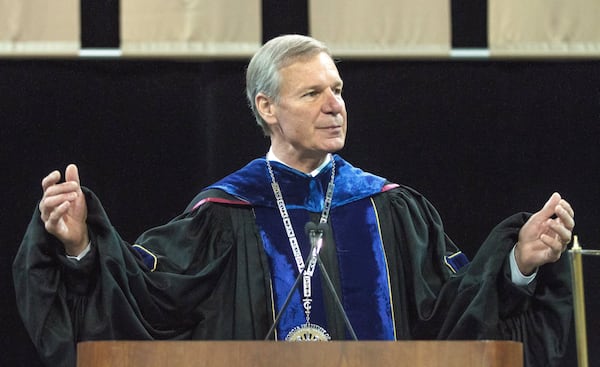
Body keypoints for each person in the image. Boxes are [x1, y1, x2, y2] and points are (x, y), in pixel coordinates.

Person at [14, 35, 575, 367]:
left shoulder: (392, 210)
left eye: (338, 90)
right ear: (267, 108)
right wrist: (81, 245)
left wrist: (518, 264)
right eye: (313, 93)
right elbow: (147, 299)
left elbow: (454, 310)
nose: (334, 105)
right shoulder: (223, 214)